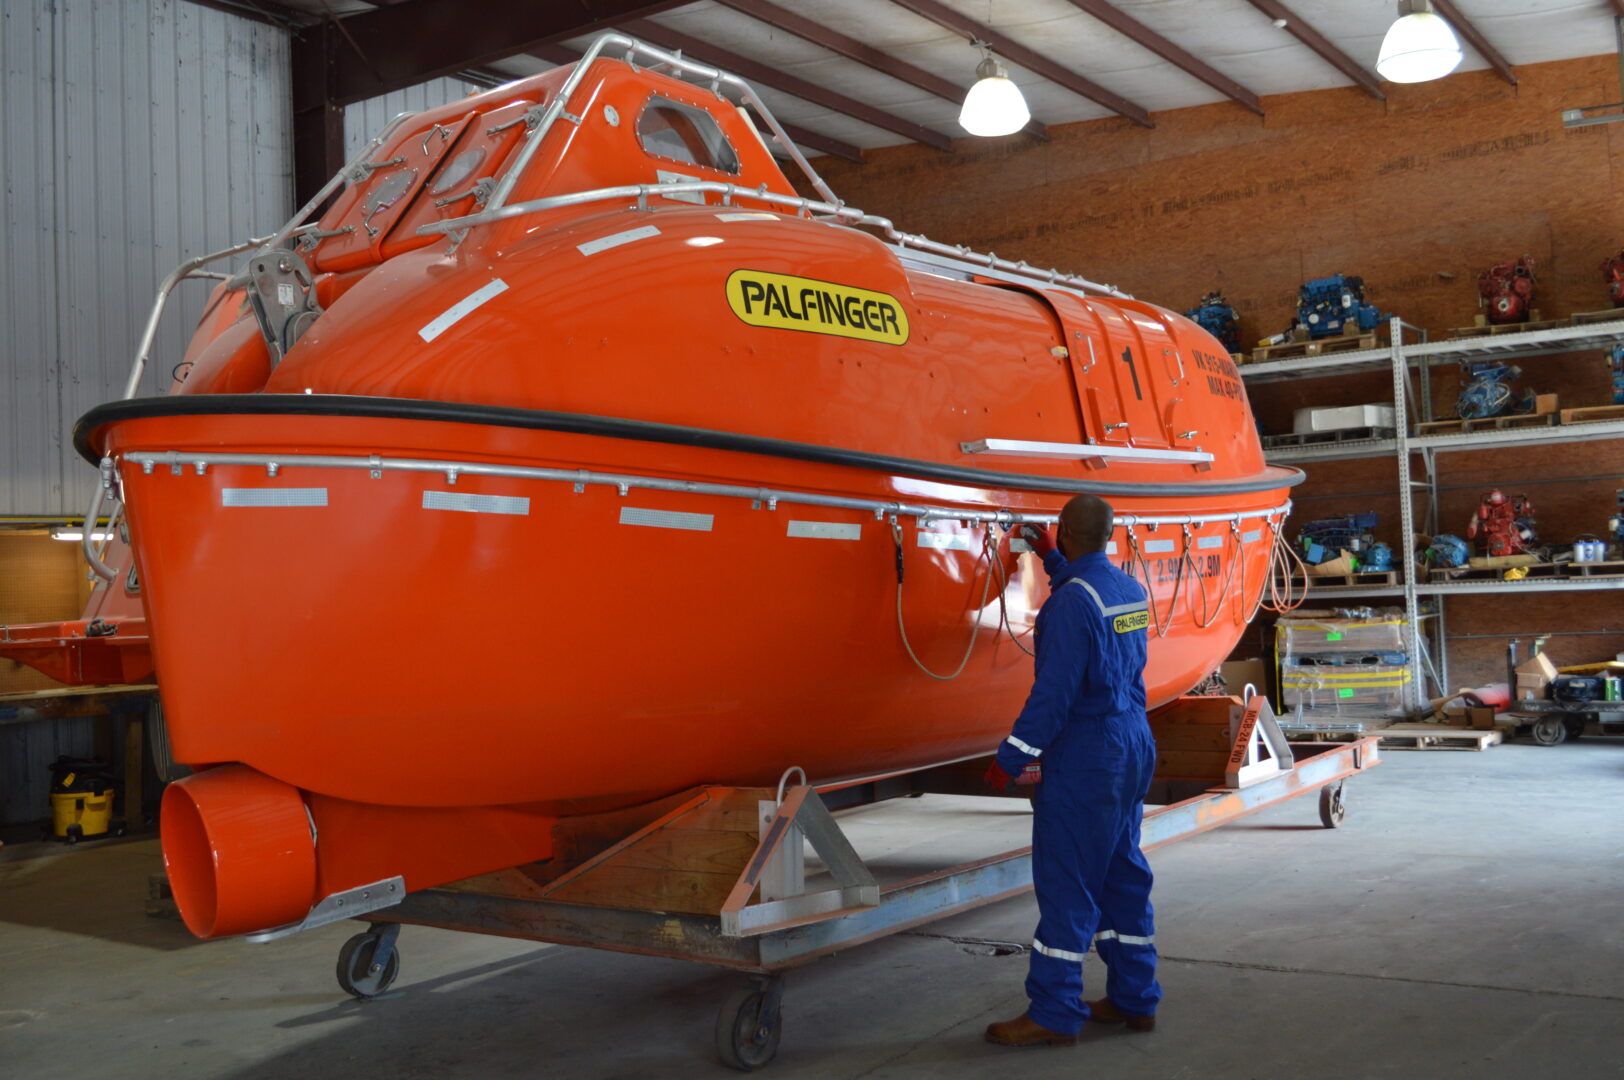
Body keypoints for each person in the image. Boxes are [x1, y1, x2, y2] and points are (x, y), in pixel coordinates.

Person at [983, 493, 1161, 1048]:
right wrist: (1051, 559)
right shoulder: (1127, 588)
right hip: (1133, 742)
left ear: (1063, 530)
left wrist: (1008, 761)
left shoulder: (1066, 607)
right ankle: (1136, 999)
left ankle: (1055, 1012)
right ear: (1109, 536)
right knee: (1122, 873)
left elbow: (1053, 699)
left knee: (1068, 884)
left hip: (1089, 756)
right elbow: (1089, 604)